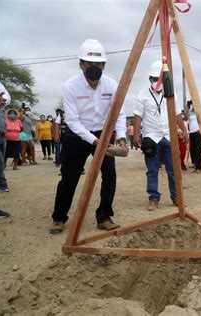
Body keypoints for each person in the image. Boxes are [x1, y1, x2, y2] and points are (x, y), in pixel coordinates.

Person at [50, 38, 127, 234]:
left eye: (98, 64)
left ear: (104, 65)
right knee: (69, 177)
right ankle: (59, 217)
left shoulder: (111, 85)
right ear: (81, 64)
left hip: (102, 132)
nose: (94, 68)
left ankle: (104, 216)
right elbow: (73, 121)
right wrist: (95, 141)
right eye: (90, 64)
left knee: (109, 175)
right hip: (77, 136)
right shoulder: (70, 86)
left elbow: (118, 112)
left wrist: (122, 137)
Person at [133, 60, 189, 211]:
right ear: (149, 79)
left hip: (168, 135)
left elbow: (177, 114)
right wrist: (137, 134)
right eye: (153, 79)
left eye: (159, 80)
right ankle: (153, 198)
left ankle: (176, 196)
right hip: (151, 136)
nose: (156, 83)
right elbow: (138, 115)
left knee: (173, 168)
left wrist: (184, 130)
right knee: (152, 169)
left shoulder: (171, 94)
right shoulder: (142, 95)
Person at [185, 100, 201, 172]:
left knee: (198, 150)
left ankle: (198, 167)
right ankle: (194, 163)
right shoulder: (190, 111)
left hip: (198, 133)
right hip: (191, 132)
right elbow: (186, 119)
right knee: (192, 149)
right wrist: (187, 110)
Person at [0, 79, 11, 193]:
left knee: (0, 160)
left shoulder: (1, 106)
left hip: (2, 136)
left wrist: (2, 99)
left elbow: (6, 97)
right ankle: (2, 184)